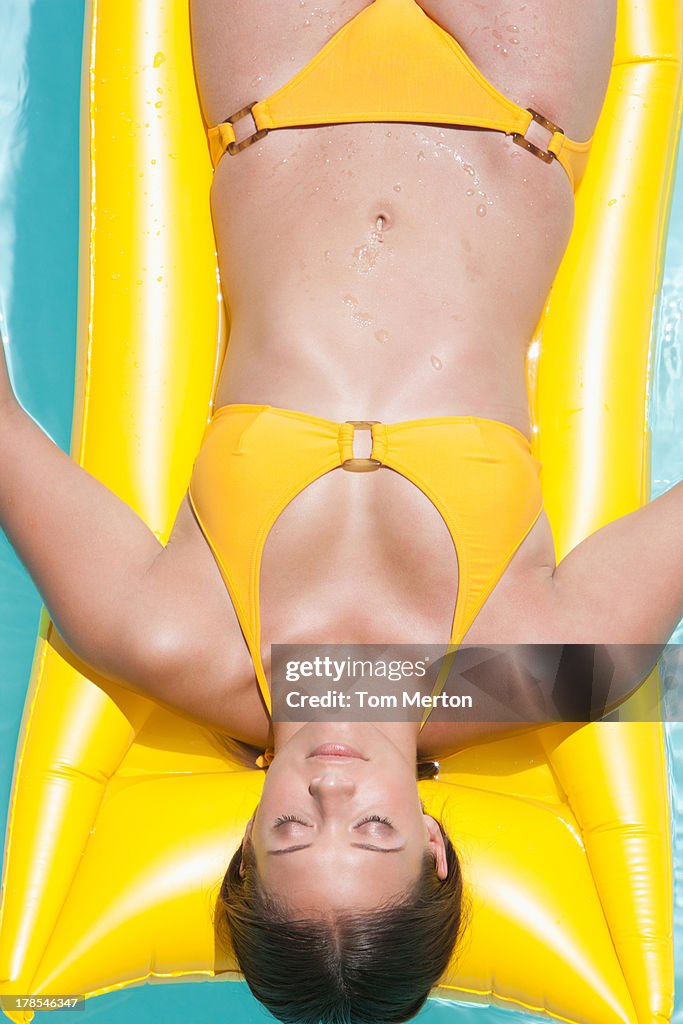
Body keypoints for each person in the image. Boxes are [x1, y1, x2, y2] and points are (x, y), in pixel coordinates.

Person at [0, 0, 681, 1021]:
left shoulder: (173, 631)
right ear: (435, 844)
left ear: (246, 833)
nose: (329, 789)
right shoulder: (539, 665)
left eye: (287, 834)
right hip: (508, 101)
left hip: (279, 83)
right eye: (368, 830)